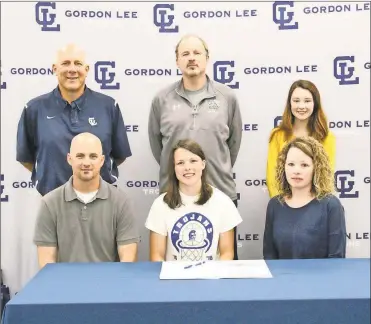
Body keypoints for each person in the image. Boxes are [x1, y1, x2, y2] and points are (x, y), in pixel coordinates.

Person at [148, 34, 242, 259]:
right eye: (185, 54)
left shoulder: (227, 97)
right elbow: (157, 146)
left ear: (207, 58)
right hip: (174, 196)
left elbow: (233, 144)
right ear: (177, 61)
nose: (191, 58)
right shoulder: (162, 99)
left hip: (220, 192)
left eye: (197, 53)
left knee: (224, 268)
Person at [16, 44, 131, 196]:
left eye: (78, 63)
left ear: (87, 69)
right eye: (65, 63)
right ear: (54, 69)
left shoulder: (108, 106)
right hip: (52, 201)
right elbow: (26, 158)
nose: (72, 69)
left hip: (101, 201)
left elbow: (118, 155)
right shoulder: (34, 109)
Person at [33, 133, 139, 268]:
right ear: (69, 159)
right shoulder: (49, 204)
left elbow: (128, 261)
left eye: (93, 156)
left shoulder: (122, 202)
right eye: (80, 156)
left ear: (102, 161)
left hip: (109, 286)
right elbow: (46, 263)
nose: (86, 163)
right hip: (65, 287)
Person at [145, 139, 243, 262]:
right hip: (174, 279)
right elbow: (157, 256)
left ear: (203, 164)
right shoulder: (160, 204)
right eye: (180, 163)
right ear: (174, 168)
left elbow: (227, 254)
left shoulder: (223, 202)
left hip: (211, 278)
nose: (187, 167)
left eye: (193, 161)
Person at [263, 136, 346, 259]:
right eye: (291, 164)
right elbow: (269, 256)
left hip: (320, 277)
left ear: (316, 168)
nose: (296, 171)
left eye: (304, 165)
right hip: (282, 277)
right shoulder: (275, 204)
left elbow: (336, 257)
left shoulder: (331, 205)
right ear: (283, 167)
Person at [266, 80, 335, 197]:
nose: (301, 106)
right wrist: (284, 204)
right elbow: (272, 176)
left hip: (316, 204)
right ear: (290, 104)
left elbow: (326, 175)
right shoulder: (278, 135)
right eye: (296, 101)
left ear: (315, 103)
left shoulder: (326, 137)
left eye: (307, 101)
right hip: (285, 204)